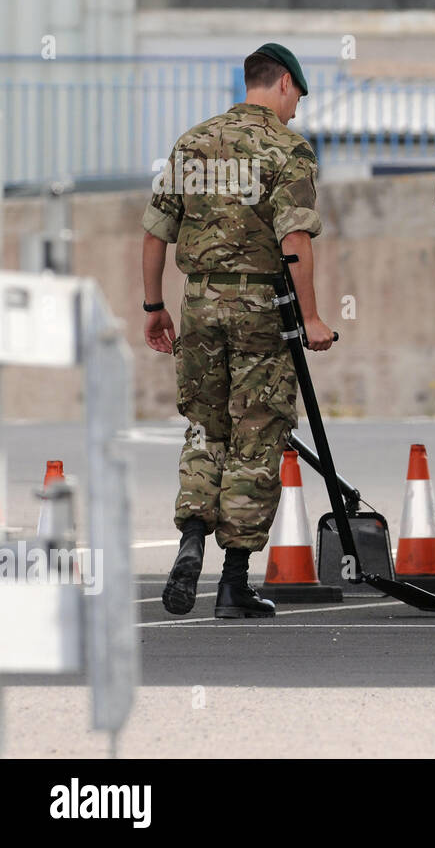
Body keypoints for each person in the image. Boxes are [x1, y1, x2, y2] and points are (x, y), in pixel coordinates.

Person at [141, 42, 334, 618]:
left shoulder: (192, 142)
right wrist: (313, 317)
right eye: (298, 93)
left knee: (206, 427)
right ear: (282, 84)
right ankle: (233, 583)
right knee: (257, 433)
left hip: (198, 302)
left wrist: (154, 305)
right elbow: (294, 241)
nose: (298, 105)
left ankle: (192, 539)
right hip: (259, 308)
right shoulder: (287, 148)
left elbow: (155, 233)